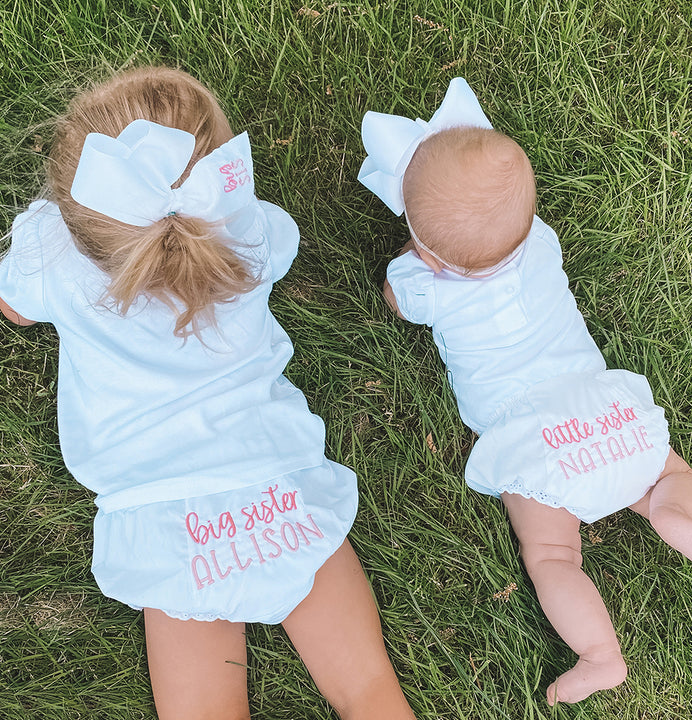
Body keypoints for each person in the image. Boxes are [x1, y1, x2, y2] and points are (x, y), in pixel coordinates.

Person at [0, 66, 416, 720]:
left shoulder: (48, 253)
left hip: (165, 522)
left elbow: (14, 308)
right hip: (280, 486)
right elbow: (271, 241)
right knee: (370, 694)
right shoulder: (245, 229)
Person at [358, 77, 692, 705]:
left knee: (554, 553)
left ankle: (601, 655)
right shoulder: (541, 241)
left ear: (429, 252)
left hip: (540, 440)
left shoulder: (424, 283)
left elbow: (398, 302)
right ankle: (676, 517)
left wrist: (416, 264)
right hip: (602, 409)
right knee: (666, 474)